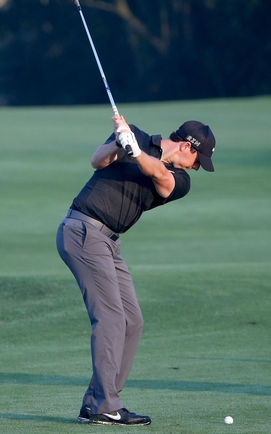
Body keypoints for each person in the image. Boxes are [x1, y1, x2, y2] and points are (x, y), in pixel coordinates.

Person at [56, 113, 216, 425]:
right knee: (111, 318)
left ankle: (97, 401)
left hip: (109, 243)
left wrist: (135, 151)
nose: (197, 167)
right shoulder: (136, 135)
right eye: (199, 160)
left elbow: (159, 174)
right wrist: (119, 143)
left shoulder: (181, 180)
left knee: (132, 321)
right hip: (83, 231)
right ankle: (105, 405)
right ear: (187, 146)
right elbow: (97, 161)